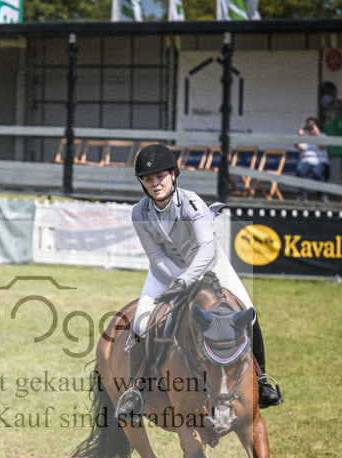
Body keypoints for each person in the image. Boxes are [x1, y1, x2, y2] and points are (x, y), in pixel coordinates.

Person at [116, 144, 283, 424]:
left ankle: (262, 379)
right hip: (165, 272)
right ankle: (136, 391)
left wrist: (187, 280)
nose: (155, 183)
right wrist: (178, 280)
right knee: (141, 323)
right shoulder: (139, 213)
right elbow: (155, 254)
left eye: (160, 177)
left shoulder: (193, 204)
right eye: (148, 179)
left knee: (248, 314)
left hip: (211, 267)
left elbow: (207, 250)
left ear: (173, 175)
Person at [294, 117, 329, 202]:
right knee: (300, 169)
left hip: (321, 161)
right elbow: (296, 146)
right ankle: (303, 195)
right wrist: (300, 135)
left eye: (313, 125)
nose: (311, 128)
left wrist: (317, 135)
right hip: (307, 161)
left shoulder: (323, 135)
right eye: (309, 126)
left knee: (316, 172)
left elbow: (323, 146)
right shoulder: (304, 137)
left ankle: (323, 195)